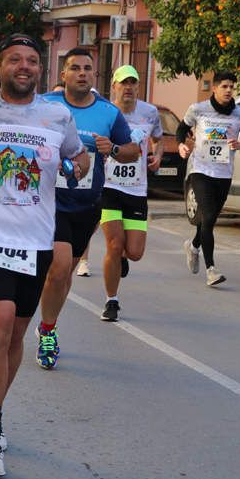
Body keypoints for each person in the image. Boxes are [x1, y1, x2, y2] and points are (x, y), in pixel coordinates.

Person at [0, 33, 86, 479]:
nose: (24, 66)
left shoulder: (57, 115)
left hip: (37, 239)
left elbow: (78, 159)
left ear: (39, 70)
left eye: (31, 60)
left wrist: (75, 167)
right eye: (14, 60)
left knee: (16, 335)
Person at [33, 48, 139, 369]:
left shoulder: (109, 113)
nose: (82, 73)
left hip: (88, 204)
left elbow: (133, 151)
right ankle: (48, 331)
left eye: (87, 68)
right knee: (60, 265)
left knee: (65, 276)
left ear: (95, 76)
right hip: (49, 201)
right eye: (74, 68)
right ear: (63, 75)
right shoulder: (47, 106)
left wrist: (115, 148)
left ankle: (47, 323)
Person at [176, 72, 240, 286]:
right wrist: (181, 145)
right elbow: (182, 129)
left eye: (232, 86)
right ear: (214, 88)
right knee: (207, 217)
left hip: (224, 173)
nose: (228, 90)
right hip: (200, 170)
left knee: (210, 219)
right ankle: (211, 269)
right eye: (224, 86)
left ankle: (193, 245)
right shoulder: (198, 109)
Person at [99, 65, 163, 321]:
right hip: (109, 187)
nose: (128, 88)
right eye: (123, 83)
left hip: (136, 189)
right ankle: (111, 301)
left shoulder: (150, 113)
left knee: (134, 252)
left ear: (138, 86)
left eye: (132, 83)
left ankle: (123, 258)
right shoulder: (105, 111)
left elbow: (157, 139)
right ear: (114, 86)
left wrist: (157, 156)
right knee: (114, 245)